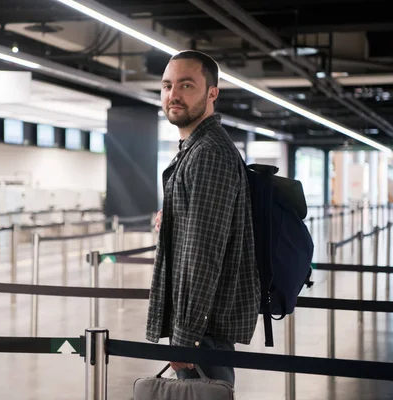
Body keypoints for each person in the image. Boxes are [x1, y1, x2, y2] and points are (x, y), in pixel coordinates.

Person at [146, 50, 261, 386]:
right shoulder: (195, 150)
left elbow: (204, 254)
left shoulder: (208, 153)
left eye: (186, 85)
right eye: (167, 86)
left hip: (203, 329)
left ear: (212, 93)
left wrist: (186, 336)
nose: (173, 95)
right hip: (201, 325)